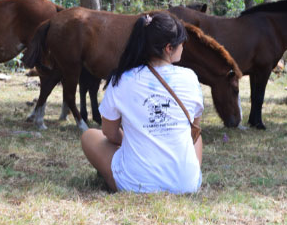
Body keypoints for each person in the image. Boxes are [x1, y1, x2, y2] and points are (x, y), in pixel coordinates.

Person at [80, 12, 205, 194]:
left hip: (134, 185)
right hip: (186, 186)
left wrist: (131, 142)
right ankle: (186, 177)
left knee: (89, 136)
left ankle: (122, 175)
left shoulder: (121, 79)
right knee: (196, 135)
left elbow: (109, 132)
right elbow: (193, 129)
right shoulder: (190, 78)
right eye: (182, 43)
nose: (183, 47)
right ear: (169, 48)